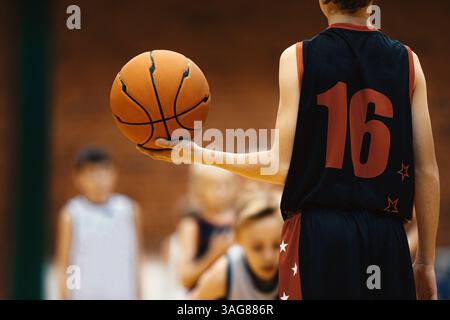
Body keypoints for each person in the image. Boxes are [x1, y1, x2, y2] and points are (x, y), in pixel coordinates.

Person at [138, 0, 440, 300]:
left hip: (318, 236)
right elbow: (426, 171)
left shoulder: (298, 57)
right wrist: (425, 261)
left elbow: (280, 165)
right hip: (385, 238)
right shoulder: (409, 63)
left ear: (323, 1)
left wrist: (196, 153)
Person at [56, 147, 143, 299]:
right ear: (78, 177)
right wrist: (67, 295)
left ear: (114, 174)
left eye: (104, 171)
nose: (99, 179)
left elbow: (136, 259)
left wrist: (140, 294)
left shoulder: (129, 210)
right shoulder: (71, 214)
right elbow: (67, 265)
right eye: (91, 173)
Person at [191, 191, 283, 300]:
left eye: (277, 245)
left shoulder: (293, 268)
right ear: (238, 240)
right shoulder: (224, 274)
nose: (268, 256)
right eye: (257, 247)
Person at [175, 165, 237, 291]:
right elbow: (185, 278)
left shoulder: (240, 220)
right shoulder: (192, 225)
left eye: (226, 185)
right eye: (214, 186)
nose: (222, 192)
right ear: (199, 188)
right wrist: (213, 254)